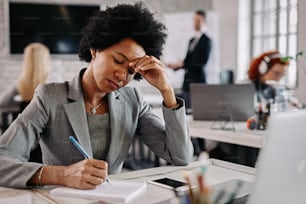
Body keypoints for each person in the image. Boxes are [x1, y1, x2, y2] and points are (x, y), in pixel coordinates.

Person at [0, 3, 193, 189]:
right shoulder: (49, 97)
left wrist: (167, 91)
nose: (122, 76)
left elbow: (180, 156)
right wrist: (62, 175)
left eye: (132, 71)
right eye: (118, 60)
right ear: (95, 49)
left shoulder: (132, 100)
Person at [167, 10, 212, 110]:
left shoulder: (207, 40)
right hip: (187, 82)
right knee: (185, 110)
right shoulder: (191, 40)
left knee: (197, 111)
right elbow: (188, 60)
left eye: (198, 20)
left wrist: (182, 65)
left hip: (198, 82)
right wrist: (177, 66)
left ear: (204, 22)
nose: (195, 23)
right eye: (194, 20)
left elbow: (201, 62)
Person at [0, 42, 51, 112]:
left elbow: (2, 104)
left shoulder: (20, 85)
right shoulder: (53, 83)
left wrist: (20, 106)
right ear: (45, 60)